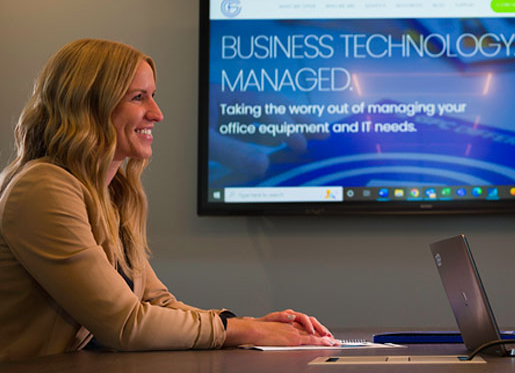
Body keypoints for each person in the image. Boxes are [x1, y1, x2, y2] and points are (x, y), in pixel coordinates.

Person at [0, 39, 338, 362]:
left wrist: (252, 326)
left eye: (153, 96)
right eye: (138, 97)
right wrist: (242, 330)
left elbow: (156, 303)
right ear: (89, 105)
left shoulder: (114, 191)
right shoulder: (43, 187)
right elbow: (126, 324)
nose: (157, 113)